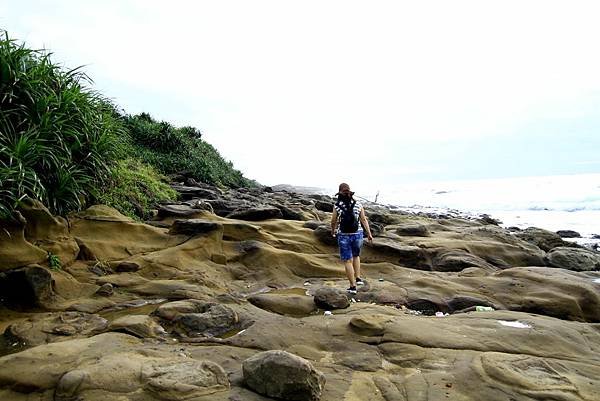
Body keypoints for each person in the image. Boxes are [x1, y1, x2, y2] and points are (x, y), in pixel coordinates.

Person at [330, 183, 373, 294]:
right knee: (356, 256)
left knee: (347, 261)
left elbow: (333, 220)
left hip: (343, 235)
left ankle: (352, 286)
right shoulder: (358, 204)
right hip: (357, 233)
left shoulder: (337, 205)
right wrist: (369, 233)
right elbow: (363, 220)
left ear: (339, 192)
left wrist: (333, 230)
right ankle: (358, 278)